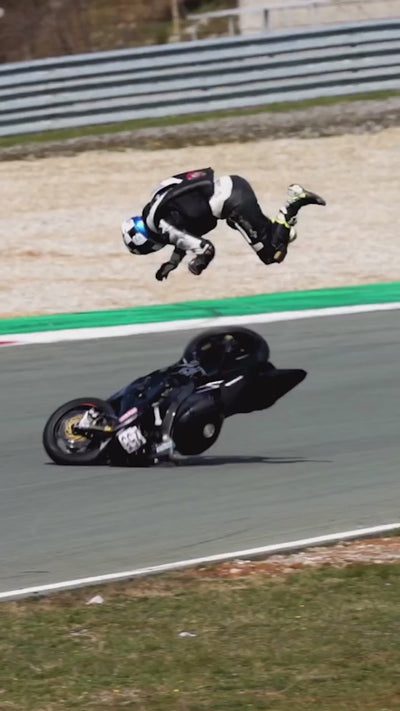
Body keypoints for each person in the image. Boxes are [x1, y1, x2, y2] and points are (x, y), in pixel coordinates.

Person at [121, 167, 326, 280]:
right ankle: (280, 229)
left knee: (272, 254)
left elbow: (205, 248)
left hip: (232, 202)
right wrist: (172, 264)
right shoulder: (158, 210)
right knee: (274, 237)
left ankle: (293, 203)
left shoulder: (162, 226)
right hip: (229, 187)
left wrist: (198, 264)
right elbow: (182, 238)